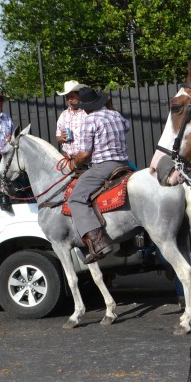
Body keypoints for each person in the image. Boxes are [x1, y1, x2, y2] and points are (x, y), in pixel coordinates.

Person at [65, 86, 132, 263]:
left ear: (85, 106)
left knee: (75, 199)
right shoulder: (115, 114)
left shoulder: (89, 121)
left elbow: (85, 154)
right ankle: (132, 240)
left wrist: (74, 163)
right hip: (124, 164)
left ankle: (98, 241)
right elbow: (127, 127)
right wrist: (110, 106)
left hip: (103, 167)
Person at [55, 80, 88, 159]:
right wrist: (61, 138)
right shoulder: (64, 115)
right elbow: (58, 138)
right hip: (70, 160)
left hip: (88, 160)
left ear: (79, 96)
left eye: (72, 96)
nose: (70, 100)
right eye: (67, 97)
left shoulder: (87, 112)